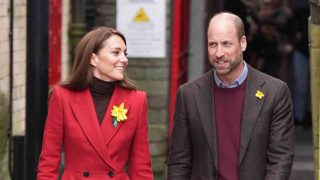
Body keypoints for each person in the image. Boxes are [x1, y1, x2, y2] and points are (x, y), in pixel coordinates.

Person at [167, 12, 294, 180]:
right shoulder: (188, 95)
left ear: (243, 43)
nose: (219, 53)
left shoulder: (275, 92)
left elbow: (280, 159)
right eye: (213, 44)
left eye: (226, 44)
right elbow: (179, 162)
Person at [37, 27, 154, 180]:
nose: (124, 60)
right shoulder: (62, 97)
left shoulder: (136, 100)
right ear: (93, 59)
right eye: (116, 52)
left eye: (125, 53)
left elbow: (141, 167)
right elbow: (49, 162)